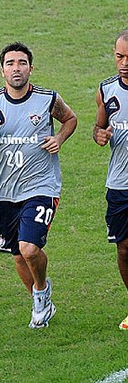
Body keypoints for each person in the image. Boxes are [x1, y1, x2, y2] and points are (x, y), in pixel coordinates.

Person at [0, 42, 77, 328]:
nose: (16, 68)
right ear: (2, 70)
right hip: (7, 191)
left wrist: (59, 139)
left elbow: (70, 119)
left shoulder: (47, 98)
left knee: (29, 248)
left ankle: (41, 291)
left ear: (31, 68)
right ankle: (41, 300)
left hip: (42, 186)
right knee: (18, 256)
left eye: (22, 63)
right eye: (11, 63)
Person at [93, 30, 128, 330]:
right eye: (119, 56)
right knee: (124, 248)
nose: (124, 63)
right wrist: (100, 135)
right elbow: (98, 127)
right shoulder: (107, 90)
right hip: (119, 184)